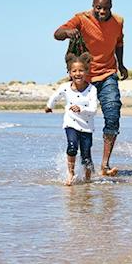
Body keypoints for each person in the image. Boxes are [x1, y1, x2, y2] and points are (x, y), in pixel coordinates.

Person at [54, 0, 128, 176]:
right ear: (93, 6)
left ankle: (105, 164)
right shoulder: (81, 18)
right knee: (80, 121)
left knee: (113, 115)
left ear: (111, 7)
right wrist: (67, 32)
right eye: (98, 8)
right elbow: (57, 33)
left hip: (108, 74)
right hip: (84, 79)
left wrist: (121, 64)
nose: (102, 11)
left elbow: (119, 43)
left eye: (106, 8)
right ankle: (83, 161)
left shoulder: (118, 21)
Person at [45, 52, 98, 186]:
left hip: (86, 127)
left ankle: (87, 179)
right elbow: (55, 96)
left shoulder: (92, 90)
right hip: (71, 123)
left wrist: (81, 109)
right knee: (72, 147)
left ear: (86, 72)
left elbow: (93, 109)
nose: (77, 73)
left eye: (81, 70)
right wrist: (49, 106)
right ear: (69, 73)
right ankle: (71, 173)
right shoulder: (65, 87)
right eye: (74, 71)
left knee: (86, 157)